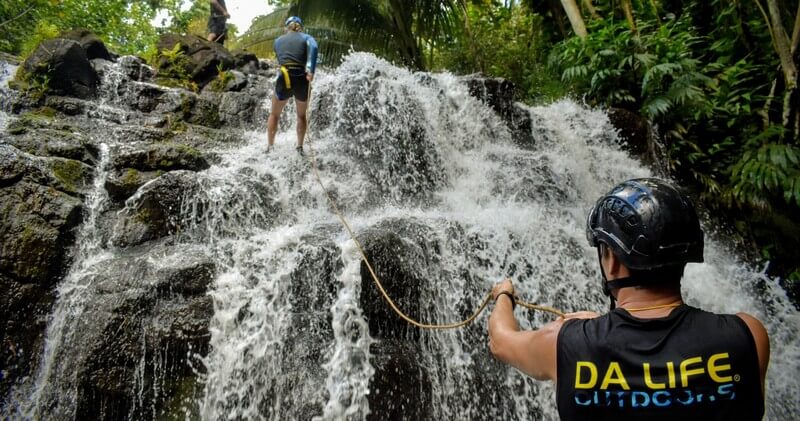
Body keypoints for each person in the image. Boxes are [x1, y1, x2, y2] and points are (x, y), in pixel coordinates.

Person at [488, 178, 770, 420]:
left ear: (612, 261)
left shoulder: (565, 343)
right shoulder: (748, 336)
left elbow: (501, 340)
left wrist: (504, 294)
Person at [267, 16, 318, 155]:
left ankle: (270, 147)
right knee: (301, 115)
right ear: (300, 27)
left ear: (286, 27)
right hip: (302, 78)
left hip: (285, 76)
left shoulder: (277, 41)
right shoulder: (306, 37)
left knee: (274, 114)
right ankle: (299, 147)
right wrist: (311, 71)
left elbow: (280, 57)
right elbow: (314, 47)